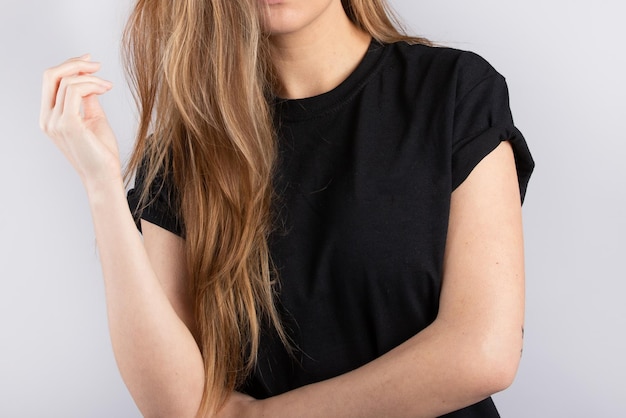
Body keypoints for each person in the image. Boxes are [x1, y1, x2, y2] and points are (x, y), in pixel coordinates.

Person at [39, 0, 534, 416]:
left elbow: (484, 352)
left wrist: (260, 416)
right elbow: (178, 405)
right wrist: (101, 182)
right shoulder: (184, 155)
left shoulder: (453, 91)